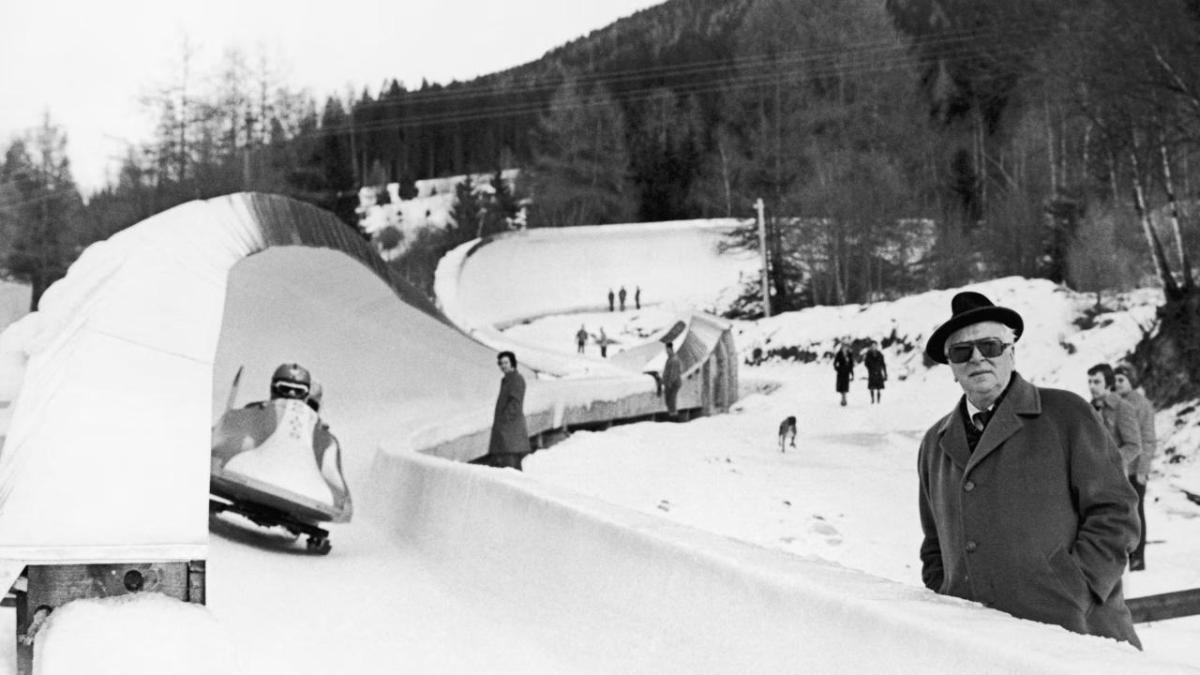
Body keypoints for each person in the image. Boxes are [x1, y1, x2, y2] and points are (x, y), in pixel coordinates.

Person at [917, 291, 1141, 649]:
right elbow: (934, 546)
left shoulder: (1067, 414)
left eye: (989, 346)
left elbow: (1116, 513)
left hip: (1078, 636)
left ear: (1011, 351)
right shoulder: (934, 443)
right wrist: (948, 591)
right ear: (951, 366)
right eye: (961, 351)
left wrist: (1076, 588)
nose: (977, 358)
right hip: (979, 644)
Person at [1115, 364, 1156, 571]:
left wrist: (1142, 470)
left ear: (1132, 380)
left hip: (1135, 470)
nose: (1117, 383)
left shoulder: (1141, 404)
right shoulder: (1114, 403)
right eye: (1115, 380)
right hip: (1118, 469)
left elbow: (1148, 440)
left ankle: (1138, 557)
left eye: (1121, 379)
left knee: (1137, 512)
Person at [1087, 363, 1141, 478]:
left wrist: (1111, 462)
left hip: (1114, 478)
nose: (1091, 386)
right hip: (1089, 477)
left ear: (1109, 384)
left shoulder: (1122, 408)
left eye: (1096, 382)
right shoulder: (1087, 408)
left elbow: (1134, 446)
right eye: (1090, 382)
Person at [484, 351, 530, 470]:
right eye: (501, 363)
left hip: (510, 432)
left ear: (512, 363)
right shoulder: (506, 379)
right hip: (505, 431)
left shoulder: (516, 379)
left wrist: (504, 420)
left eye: (506, 362)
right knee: (504, 466)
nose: (503, 366)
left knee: (511, 466)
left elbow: (515, 403)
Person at [661, 341, 682, 419]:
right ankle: (672, 416)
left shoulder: (674, 359)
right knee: (668, 400)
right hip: (669, 383)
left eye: (666, 349)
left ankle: (674, 418)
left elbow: (674, 373)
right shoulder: (669, 359)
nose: (666, 351)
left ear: (670, 348)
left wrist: (669, 383)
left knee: (671, 400)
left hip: (674, 383)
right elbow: (667, 371)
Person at [863, 340, 887, 405]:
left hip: (879, 372)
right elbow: (865, 363)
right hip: (871, 372)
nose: (874, 347)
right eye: (872, 346)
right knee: (871, 387)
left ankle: (878, 401)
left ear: (876, 346)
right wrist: (869, 369)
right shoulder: (868, 354)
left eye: (875, 346)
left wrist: (885, 374)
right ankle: (872, 399)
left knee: (879, 388)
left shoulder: (880, 354)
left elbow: (883, 364)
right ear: (871, 347)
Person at [833, 342, 854, 406]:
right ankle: (843, 399)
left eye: (846, 347)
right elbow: (834, 363)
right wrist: (837, 369)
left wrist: (852, 374)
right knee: (841, 387)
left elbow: (851, 365)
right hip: (840, 372)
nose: (845, 348)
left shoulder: (849, 354)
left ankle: (844, 399)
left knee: (845, 387)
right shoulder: (839, 354)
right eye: (843, 347)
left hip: (847, 372)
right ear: (841, 348)